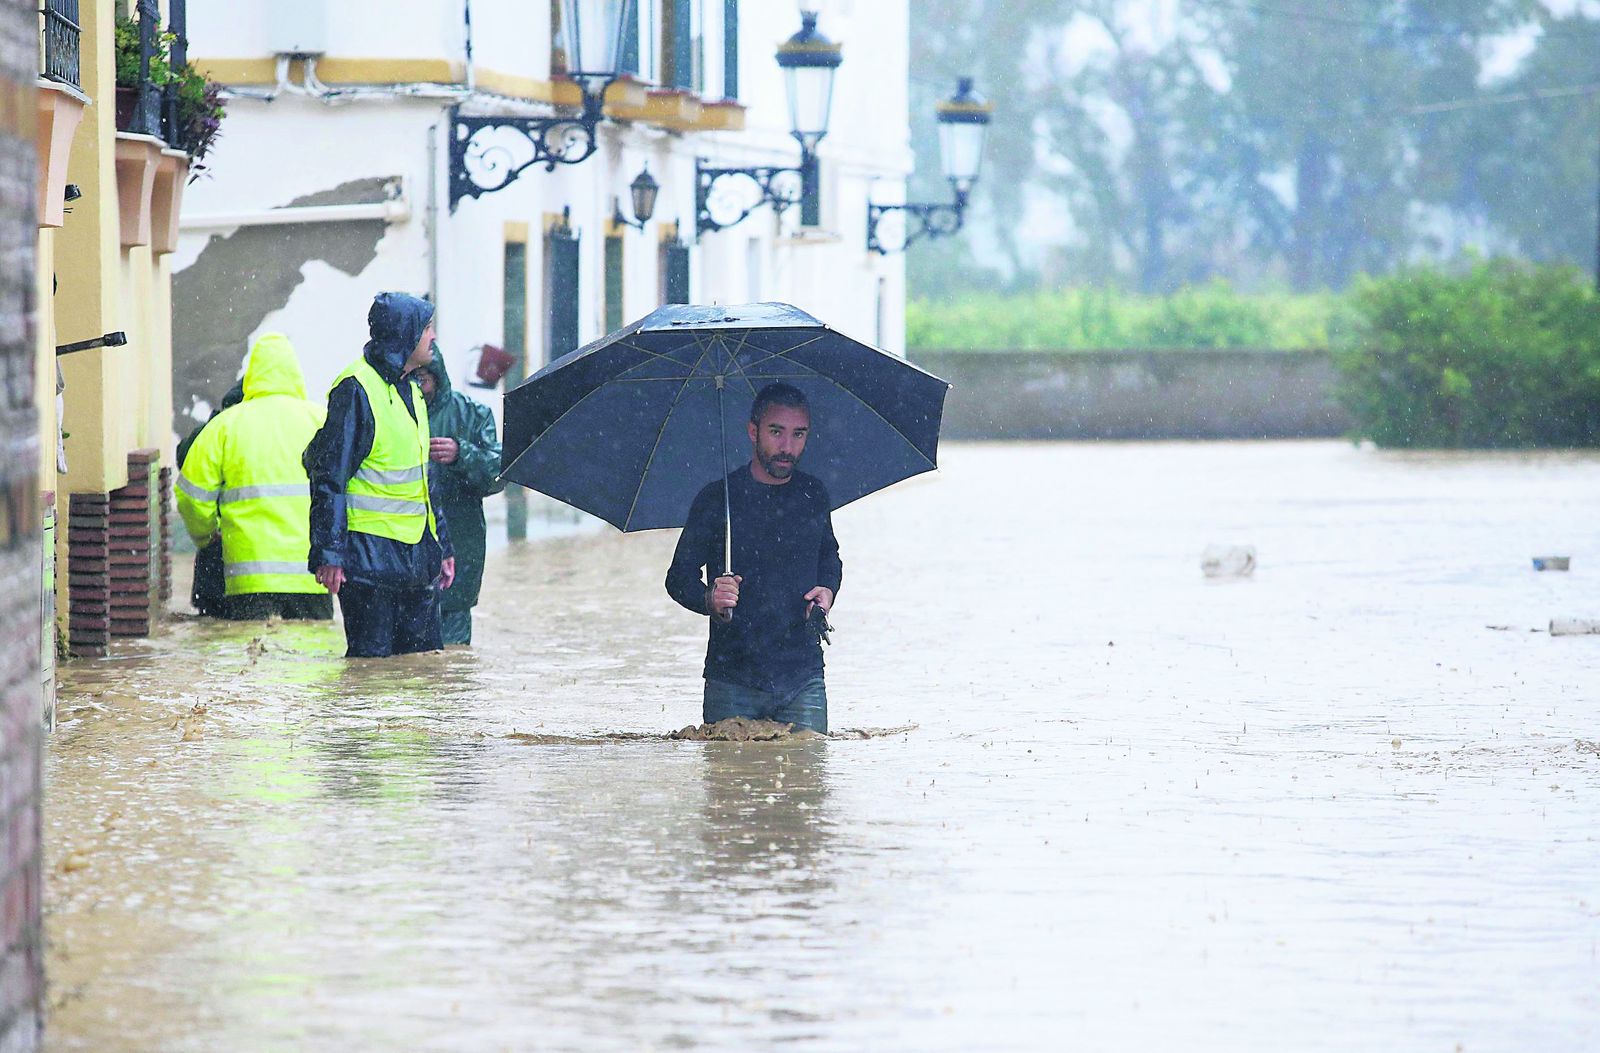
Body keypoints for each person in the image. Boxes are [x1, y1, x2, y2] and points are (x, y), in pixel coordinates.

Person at [665, 382, 843, 733]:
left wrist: (827, 591)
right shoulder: (719, 499)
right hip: (733, 679)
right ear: (753, 431)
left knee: (809, 783)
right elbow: (678, 577)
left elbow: (829, 557)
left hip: (803, 677)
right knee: (730, 784)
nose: (787, 447)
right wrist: (709, 599)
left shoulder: (813, 494)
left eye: (799, 434)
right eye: (776, 432)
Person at [304, 292, 456, 658]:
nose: (433, 337)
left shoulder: (413, 390)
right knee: (371, 674)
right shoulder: (356, 389)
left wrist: (444, 549)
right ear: (406, 335)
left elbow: (424, 483)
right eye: (427, 329)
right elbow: (329, 476)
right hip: (369, 565)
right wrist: (329, 553)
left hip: (417, 560)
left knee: (422, 671)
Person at [175, 334, 331, 620]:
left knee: (250, 656)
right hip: (314, 577)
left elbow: (190, 494)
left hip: (248, 581)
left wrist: (206, 536)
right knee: (313, 657)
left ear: (252, 374)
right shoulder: (320, 420)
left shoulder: (225, 426)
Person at [417, 343, 504, 645]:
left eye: (423, 379)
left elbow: (498, 474)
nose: (418, 388)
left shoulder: (472, 415)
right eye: (412, 379)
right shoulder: (393, 412)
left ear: (437, 377)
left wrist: (461, 455)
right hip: (405, 557)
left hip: (458, 556)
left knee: (451, 661)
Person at [176, 379, 244, 617]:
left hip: (215, 558)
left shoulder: (213, 430)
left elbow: (183, 455)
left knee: (214, 632)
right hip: (227, 560)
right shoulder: (218, 430)